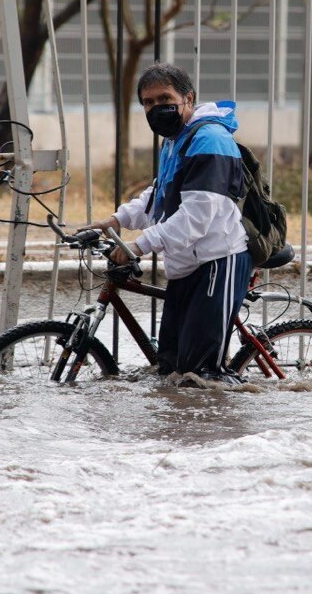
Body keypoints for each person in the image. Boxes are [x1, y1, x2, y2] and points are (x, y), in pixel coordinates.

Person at [81, 62, 252, 385]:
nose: (157, 109)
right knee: (171, 367)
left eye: (165, 99)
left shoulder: (210, 140)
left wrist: (140, 244)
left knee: (201, 375)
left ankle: (230, 431)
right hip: (187, 264)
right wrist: (116, 220)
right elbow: (160, 194)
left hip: (217, 260)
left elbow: (197, 216)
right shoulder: (176, 140)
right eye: (148, 103)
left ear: (188, 98)